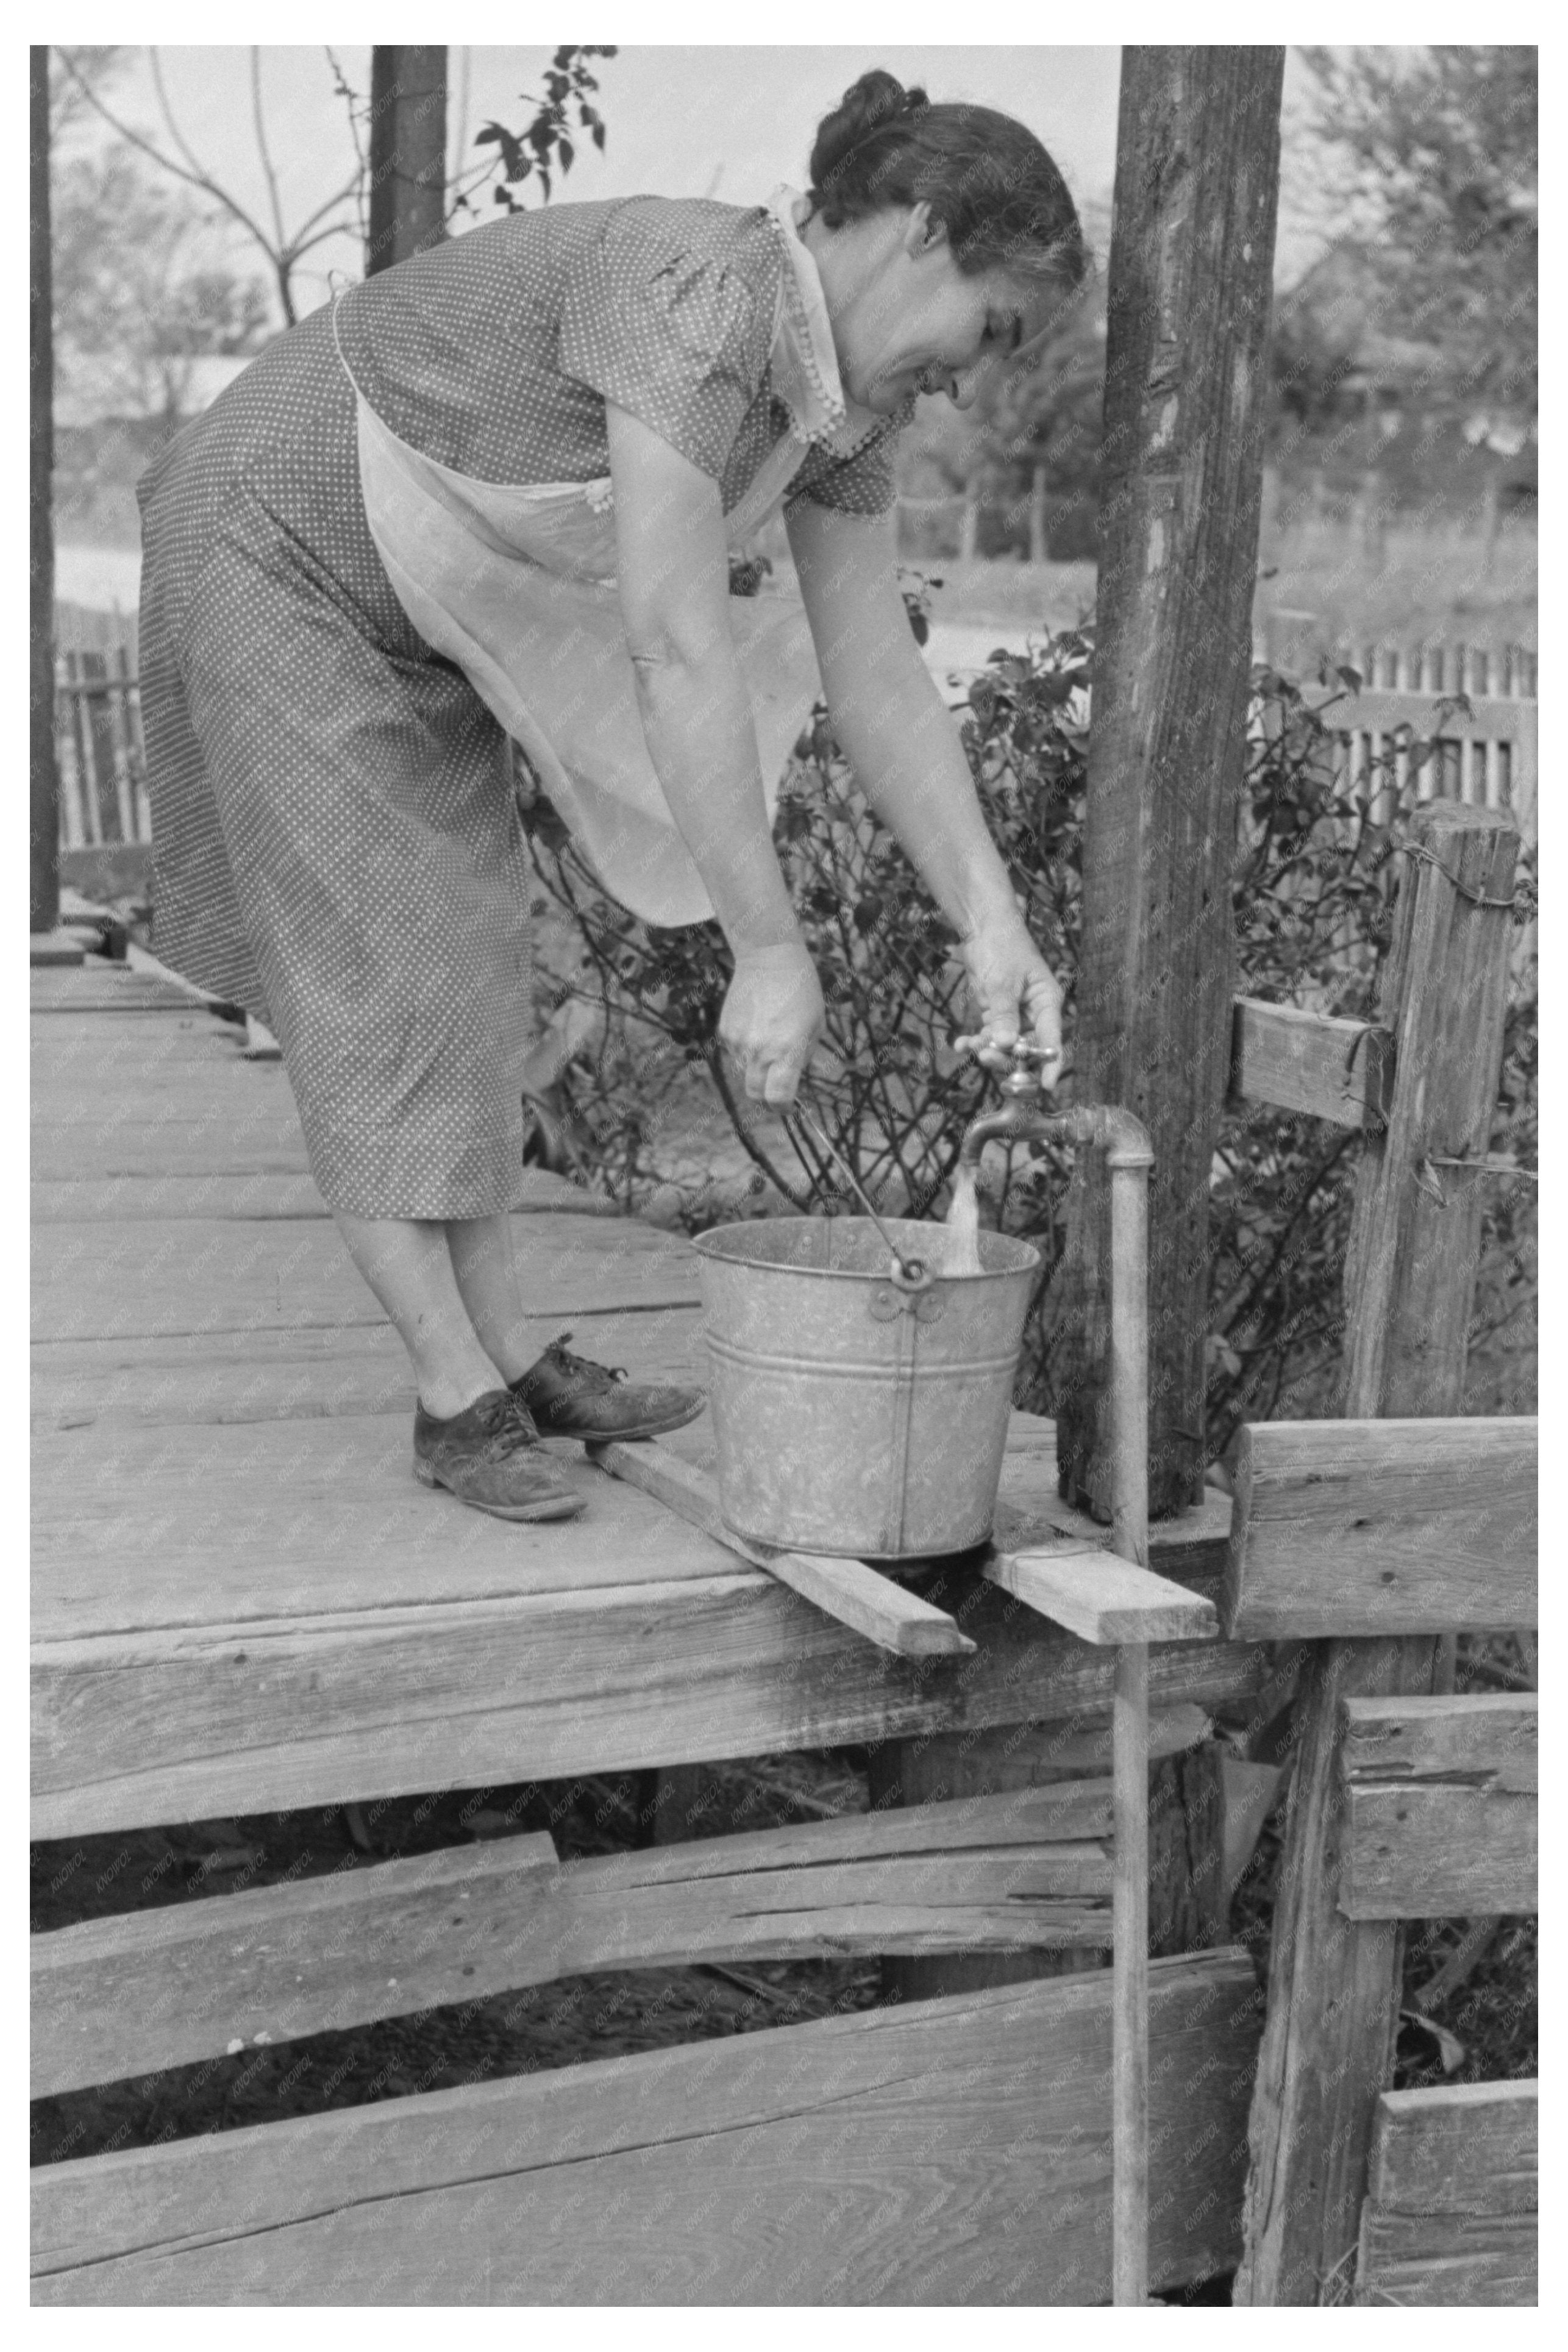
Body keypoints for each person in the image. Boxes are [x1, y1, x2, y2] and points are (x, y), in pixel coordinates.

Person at [136, 68, 1087, 1525]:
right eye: (993, 328)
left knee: (466, 960)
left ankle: (510, 1359)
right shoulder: (699, 296)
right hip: (273, 535)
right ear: (920, 229)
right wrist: (766, 950)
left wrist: (992, 926)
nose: (971, 378)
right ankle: (452, 1396)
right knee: (372, 976)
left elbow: (877, 674)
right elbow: (673, 643)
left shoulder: (834, 414)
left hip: (408, 603)